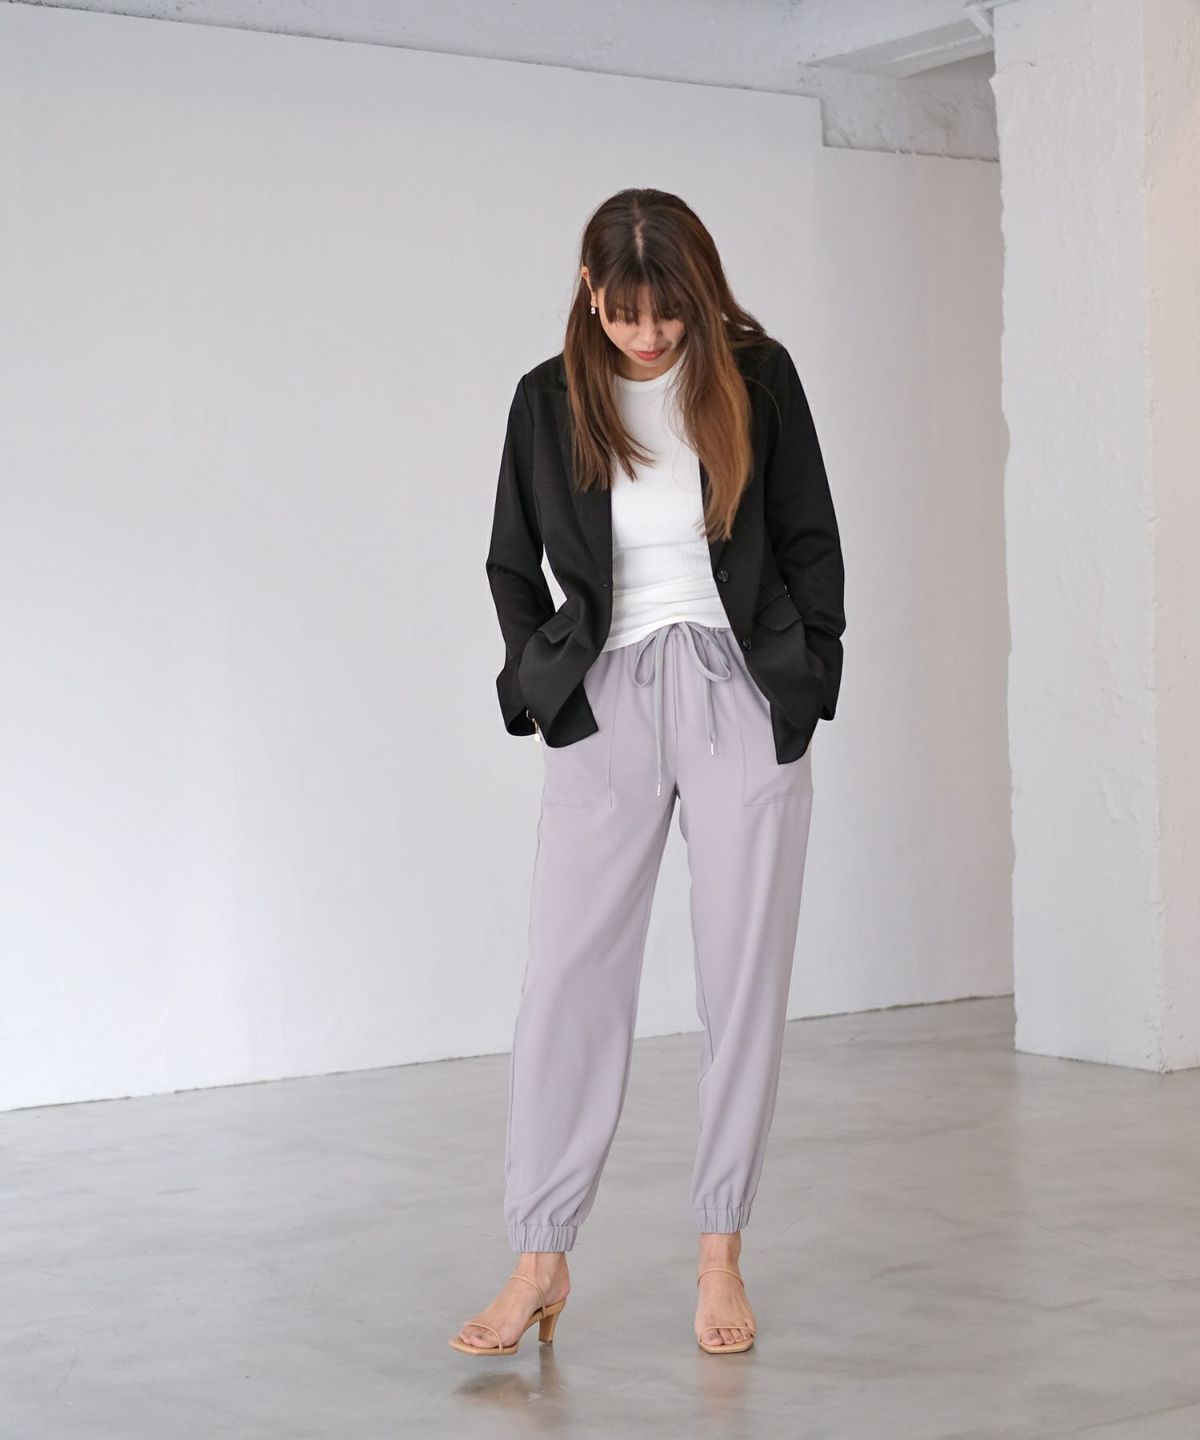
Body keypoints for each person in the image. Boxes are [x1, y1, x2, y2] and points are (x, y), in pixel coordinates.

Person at [450, 188, 845, 1357]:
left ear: (697, 293)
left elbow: (811, 538)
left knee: (741, 980)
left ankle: (720, 1256)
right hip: (605, 694)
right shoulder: (548, 398)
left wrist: (805, 677)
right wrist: (545, 686)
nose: (649, 336)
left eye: (668, 313)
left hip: (740, 687)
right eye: (626, 315)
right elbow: (510, 561)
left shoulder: (758, 379)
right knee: (568, 979)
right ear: (591, 295)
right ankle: (539, 1257)